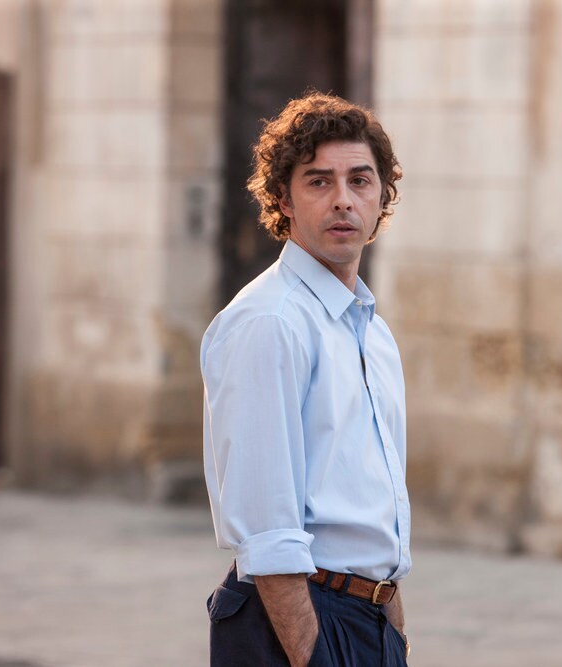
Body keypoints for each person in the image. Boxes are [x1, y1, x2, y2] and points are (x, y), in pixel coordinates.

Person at [201, 92, 411, 666]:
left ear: (381, 197)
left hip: (366, 618)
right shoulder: (270, 321)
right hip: (298, 621)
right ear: (283, 199)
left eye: (360, 180)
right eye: (319, 181)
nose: (343, 199)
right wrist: (310, 651)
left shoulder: (371, 331)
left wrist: (392, 629)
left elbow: (376, 505)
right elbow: (266, 521)